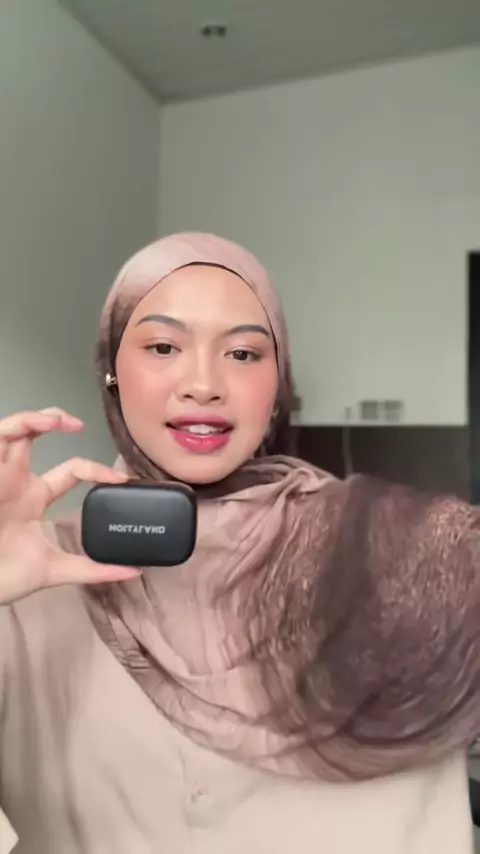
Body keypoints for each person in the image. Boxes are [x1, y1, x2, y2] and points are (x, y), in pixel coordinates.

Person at [0, 232, 479, 854]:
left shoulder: (403, 554)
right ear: (111, 371)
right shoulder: (35, 577)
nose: (203, 383)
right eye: (163, 346)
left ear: (278, 383)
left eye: (244, 353)